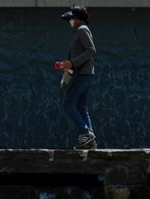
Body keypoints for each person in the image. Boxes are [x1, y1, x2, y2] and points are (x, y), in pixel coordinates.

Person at [59, 6, 97, 150]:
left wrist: (72, 63)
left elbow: (91, 50)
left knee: (68, 105)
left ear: (77, 19)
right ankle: (90, 142)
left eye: (71, 19)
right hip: (86, 74)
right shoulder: (82, 30)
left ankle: (86, 133)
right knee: (81, 107)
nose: (70, 22)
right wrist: (68, 64)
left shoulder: (82, 30)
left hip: (83, 75)